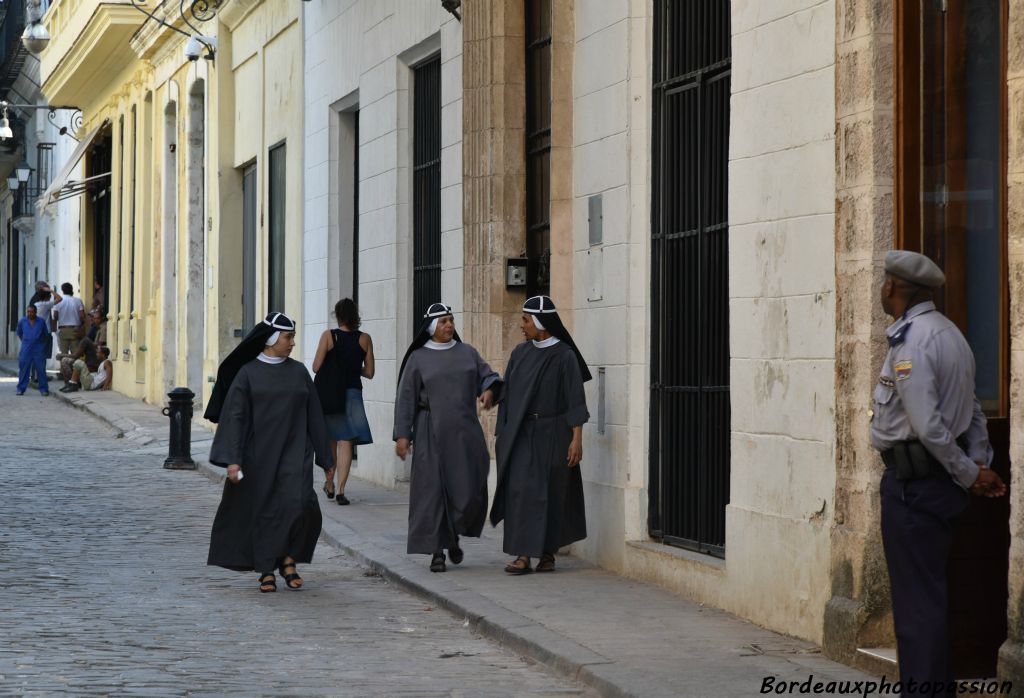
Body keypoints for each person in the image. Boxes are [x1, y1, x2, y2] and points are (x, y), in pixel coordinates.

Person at [870, 250, 1007, 695]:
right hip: (942, 487)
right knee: (931, 598)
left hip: (916, 488)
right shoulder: (952, 335)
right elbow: (972, 412)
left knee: (916, 607)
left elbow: (928, 425)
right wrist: (980, 462)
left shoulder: (912, 342)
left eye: (884, 282)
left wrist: (970, 472)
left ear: (893, 287)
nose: (882, 288)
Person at [204, 312, 335, 593]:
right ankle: (267, 569)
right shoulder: (247, 374)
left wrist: (327, 459)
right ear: (272, 339)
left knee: (300, 505)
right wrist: (233, 459)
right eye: (288, 338)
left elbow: (315, 416)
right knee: (264, 511)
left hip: (295, 452)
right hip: (258, 456)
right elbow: (234, 418)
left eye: (292, 338)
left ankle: (289, 559)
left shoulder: (299, 372)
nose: (292, 344)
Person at [394, 303, 501, 573]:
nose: (449, 325)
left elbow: (488, 376)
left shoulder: (467, 353)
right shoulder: (418, 358)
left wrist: (488, 391)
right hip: (430, 428)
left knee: (466, 487)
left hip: (464, 430)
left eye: (451, 320)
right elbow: (406, 397)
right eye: (443, 322)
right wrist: (403, 435)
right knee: (432, 490)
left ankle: (452, 534)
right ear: (431, 328)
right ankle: (437, 550)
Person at [489, 296, 590, 575]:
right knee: (520, 492)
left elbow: (575, 400)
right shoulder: (520, 353)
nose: (521, 324)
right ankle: (523, 555)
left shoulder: (565, 356)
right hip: (522, 433)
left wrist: (576, 438)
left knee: (551, 492)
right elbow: (507, 392)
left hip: (554, 432)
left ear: (540, 322)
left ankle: (547, 553)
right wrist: (499, 421)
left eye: (525, 319)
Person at [311, 298, 375, 505]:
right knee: (346, 440)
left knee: (331, 438)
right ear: (356, 315)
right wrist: (353, 368)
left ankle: (329, 482)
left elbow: (316, 366)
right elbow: (370, 372)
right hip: (353, 393)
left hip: (331, 393)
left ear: (337, 316)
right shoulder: (365, 338)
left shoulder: (329, 336)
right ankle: (340, 490)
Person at [57, 310, 104, 384]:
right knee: (69, 361)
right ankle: (71, 382)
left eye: (97, 318)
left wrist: (62, 355)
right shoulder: (94, 329)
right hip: (90, 360)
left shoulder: (101, 329)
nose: (94, 320)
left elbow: (75, 356)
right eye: (94, 318)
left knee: (65, 360)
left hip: (93, 364)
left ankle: (71, 383)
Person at [15, 304, 50, 396]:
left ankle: (44, 389)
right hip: (26, 348)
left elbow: (45, 335)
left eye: (31, 312)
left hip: (38, 348)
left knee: (41, 369)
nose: (29, 313)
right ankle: (20, 389)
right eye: (28, 312)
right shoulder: (22, 321)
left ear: (35, 312)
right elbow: (19, 333)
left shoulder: (41, 321)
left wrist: (41, 345)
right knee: (23, 368)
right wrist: (26, 341)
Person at [51, 282, 86, 356]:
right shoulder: (78, 300)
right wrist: (82, 327)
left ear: (62, 290)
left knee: (63, 354)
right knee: (76, 354)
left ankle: (64, 367)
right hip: (75, 330)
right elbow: (82, 316)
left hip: (63, 330)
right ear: (71, 290)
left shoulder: (59, 302)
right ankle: (75, 367)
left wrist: (54, 329)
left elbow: (55, 316)